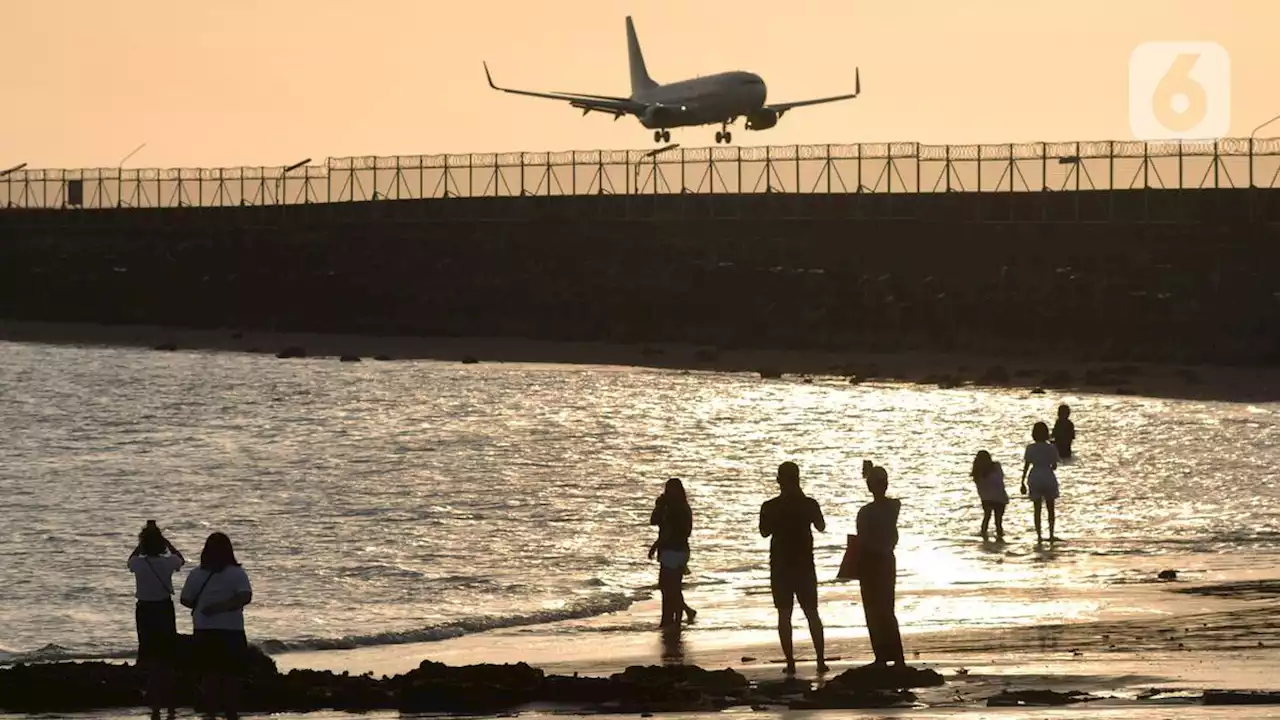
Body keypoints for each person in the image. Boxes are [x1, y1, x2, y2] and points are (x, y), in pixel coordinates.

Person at [759, 461, 828, 676]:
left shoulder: (770, 506)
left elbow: (764, 532)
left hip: (781, 566)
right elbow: (821, 526)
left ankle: (790, 662)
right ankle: (820, 660)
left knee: (784, 615)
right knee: (812, 613)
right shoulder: (809, 504)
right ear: (798, 479)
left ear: (779, 480)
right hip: (804, 565)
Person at [180, 533, 253, 720]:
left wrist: (206, 607)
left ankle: (211, 713)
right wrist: (223, 607)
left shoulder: (196, 574)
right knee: (231, 678)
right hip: (232, 631)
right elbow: (245, 597)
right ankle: (231, 714)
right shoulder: (237, 573)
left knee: (209, 677)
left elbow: (185, 600)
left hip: (204, 630)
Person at [128, 521, 185, 720]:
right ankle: (170, 706)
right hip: (163, 609)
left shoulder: (139, 563)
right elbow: (181, 559)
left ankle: (155, 708)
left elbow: (130, 560)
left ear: (143, 544)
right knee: (168, 660)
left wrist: (142, 544)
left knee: (151, 659)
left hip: (144, 610)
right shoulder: (167, 563)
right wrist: (166, 541)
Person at [856, 465, 906, 667]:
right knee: (885, 609)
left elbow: (862, 539)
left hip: (873, 561)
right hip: (885, 559)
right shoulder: (893, 506)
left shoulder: (868, 511)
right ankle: (894, 656)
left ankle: (884, 656)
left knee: (876, 610)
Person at [648, 478, 696, 627]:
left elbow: (669, 531)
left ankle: (671, 619)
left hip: (674, 550)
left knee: (668, 586)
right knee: (671, 586)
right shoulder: (670, 507)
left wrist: (655, 546)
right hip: (674, 550)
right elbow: (653, 520)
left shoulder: (678, 509)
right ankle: (679, 614)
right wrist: (659, 506)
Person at [1021, 422, 1061, 542]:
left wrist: (1022, 481)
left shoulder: (1030, 448)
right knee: (1050, 508)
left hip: (1035, 477)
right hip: (1048, 476)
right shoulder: (1051, 447)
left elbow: (1026, 465)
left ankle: (1039, 536)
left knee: (1037, 509)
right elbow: (1054, 466)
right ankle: (1051, 534)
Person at [970, 451, 1008, 541]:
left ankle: (984, 537)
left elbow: (980, 487)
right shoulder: (996, 466)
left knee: (986, 517)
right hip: (999, 497)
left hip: (986, 498)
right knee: (998, 521)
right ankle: (1000, 537)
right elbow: (1000, 479)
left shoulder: (977, 471)